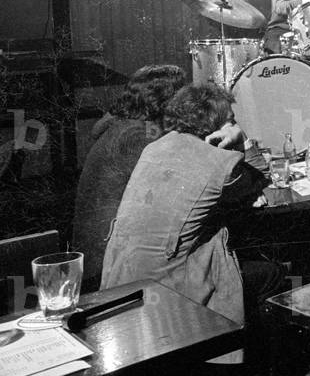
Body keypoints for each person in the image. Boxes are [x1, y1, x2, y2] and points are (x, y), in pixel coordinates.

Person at [102, 84, 282, 356]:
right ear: (217, 124)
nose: (233, 123)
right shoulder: (219, 162)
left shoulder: (156, 147)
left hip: (120, 283)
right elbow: (263, 182)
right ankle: (260, 363)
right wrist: (242, 141)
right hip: (168, 294)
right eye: (230, 119)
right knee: (272, 274)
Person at [72, 65, 246, 292]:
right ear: (168, 102)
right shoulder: (136, 138)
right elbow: (195, 180)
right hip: (109, 269)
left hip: (114, 257)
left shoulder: (126, 127)